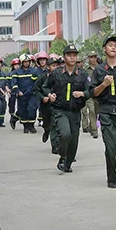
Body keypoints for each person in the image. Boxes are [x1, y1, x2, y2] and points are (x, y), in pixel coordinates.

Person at [39, 45, 90, 173]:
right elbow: (45, 87)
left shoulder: (82, 74)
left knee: (74, 139)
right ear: (64, 57)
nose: (72, 58)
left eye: (74, 55)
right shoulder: (56, 73)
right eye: (69, 55)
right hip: (60, 110)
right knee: (65, 134)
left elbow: (91, 90)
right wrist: (50, 95)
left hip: (75, 111)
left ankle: (67, 164)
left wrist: (83, 94)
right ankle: (62, 157)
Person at [90, 35, 116, 188]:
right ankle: (111, 177)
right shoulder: (99, 70)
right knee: (110, 146)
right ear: (104, 49)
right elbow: (93, 92)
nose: (113, 47)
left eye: (115, 45)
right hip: (106, 112)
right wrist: (104, 84)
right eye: (110, 45)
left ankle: (115, 156)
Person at [13, 55, 40, 134]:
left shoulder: (33, 71)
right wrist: (18, 91)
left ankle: (31, 126)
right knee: (23, 110)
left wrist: (32, 90)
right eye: (25, 62)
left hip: (32, 94)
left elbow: (36, 82)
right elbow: (14, 83)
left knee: (32, 108)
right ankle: (25, 126)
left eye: (28, 61)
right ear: (22, 63)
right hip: (22, 94)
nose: (26, 63)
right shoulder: (17, 72)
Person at [82, 52, 101, 138]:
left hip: (98, 93)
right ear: (88, 58)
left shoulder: (100, 68)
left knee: (97, 112)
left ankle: (91, 126)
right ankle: (94, 131)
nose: (93, 59)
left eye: (94, 57)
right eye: (91, 57)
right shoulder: (86, 70)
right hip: (89, 93)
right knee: (92, 111)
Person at [7, 58, 20, 128]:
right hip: (12, 92)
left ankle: (18, 117)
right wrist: (7, 90)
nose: (17, 66)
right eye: (15, 65)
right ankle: (12, 116)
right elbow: (6, 83)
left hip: (19, 92)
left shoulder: (20, 72)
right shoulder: (10, 74)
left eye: (18, 64)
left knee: (20, 106)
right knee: (11, 104)